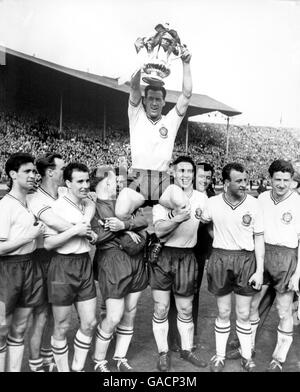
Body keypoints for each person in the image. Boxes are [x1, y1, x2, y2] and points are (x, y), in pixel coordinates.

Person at [26, 153, 95, 372]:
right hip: (48, 261)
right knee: (45, 317)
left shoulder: (66, 191)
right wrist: (82, 230)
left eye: (86, 180)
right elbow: (52, 233)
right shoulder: (37, 199)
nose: (84, 184)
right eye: (61, 167)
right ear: (51, 172)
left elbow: (90, 200)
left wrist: (86, 226)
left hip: (81, 262)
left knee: (88, 321)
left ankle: (71, 366)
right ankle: (38, 363)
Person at [114, 39, 193, 224]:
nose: (155, 103)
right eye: (151, 99)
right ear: (145, 100)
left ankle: (161, 229)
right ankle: (139, 227)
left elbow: (187, 95)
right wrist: (139, 54)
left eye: (158, 99)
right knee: (120, 211)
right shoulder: (136, 115)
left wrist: (186, 63)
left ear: (164, 102)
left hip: (162, 179)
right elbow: (134, 87)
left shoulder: (170, 121)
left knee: (184, 205)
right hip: (138, 178)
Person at [200, 162, 264, 372]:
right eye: (239, 181)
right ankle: (219, 356)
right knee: (224, 310)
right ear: (226, 183)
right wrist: (219, 239)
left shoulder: (254, 204)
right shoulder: (213, 202)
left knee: (244, 313)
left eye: (246, 180)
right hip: (220, 258)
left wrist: (259, 270)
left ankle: (246, 356)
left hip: (246, 260)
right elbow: (207, 223)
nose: (244, 184)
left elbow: (259, 238)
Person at [150, 156, 208, 372]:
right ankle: (163, 352)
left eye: (189, 171)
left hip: (187, 256)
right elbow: (159, 231)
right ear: (173, 173)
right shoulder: (163, 199)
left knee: (185, 308)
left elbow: (210, 221)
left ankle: (186, 349)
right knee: (161, 307)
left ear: (194, 174)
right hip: (164, 255)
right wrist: (177, 218)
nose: (185, 174)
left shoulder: (202, 198)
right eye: (181, 170)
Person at [90, 166, 148, 372]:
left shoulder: (125, 201)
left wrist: (123, 225)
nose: (119, 183)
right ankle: (99, 361)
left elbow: (143, 220)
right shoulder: (93, 204)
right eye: (115, 180)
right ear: (105, 181)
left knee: (130, 312)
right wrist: (125, 230)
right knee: (114, 316)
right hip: (113, 262)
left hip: (136, 260)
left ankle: (120, 357)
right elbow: (97, 237)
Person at [251, 160, 300, 372]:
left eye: (286, 180)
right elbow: (257, 233)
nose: (281, 184)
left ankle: (278, 358)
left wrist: (297, 274)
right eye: (277, 179)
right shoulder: (261, 198)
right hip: (262, 254)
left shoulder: (297, 202)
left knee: (283, 310)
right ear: (270, 178)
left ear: (292, 181)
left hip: (287, 257)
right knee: (252, 305)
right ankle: (247, 347)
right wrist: (258, 267)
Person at [0, 152, 45, 372]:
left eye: (34, 171)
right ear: (12, 174)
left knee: (20, 327)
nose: (33, 175)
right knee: (1, 329)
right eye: (27, 171)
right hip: (7, 271)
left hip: (30, 267)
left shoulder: (27, 203)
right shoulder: (4, 206)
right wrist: (28, 237)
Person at [168, 162, 215, 351]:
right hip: (178, 250)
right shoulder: (179, 194)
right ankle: (172, 337)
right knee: (174, 295)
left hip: (199, 253)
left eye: (208, 177)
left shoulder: (208, 198)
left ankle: (188, 335)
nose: (205, 180)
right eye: (202, 176)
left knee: (192, 294)